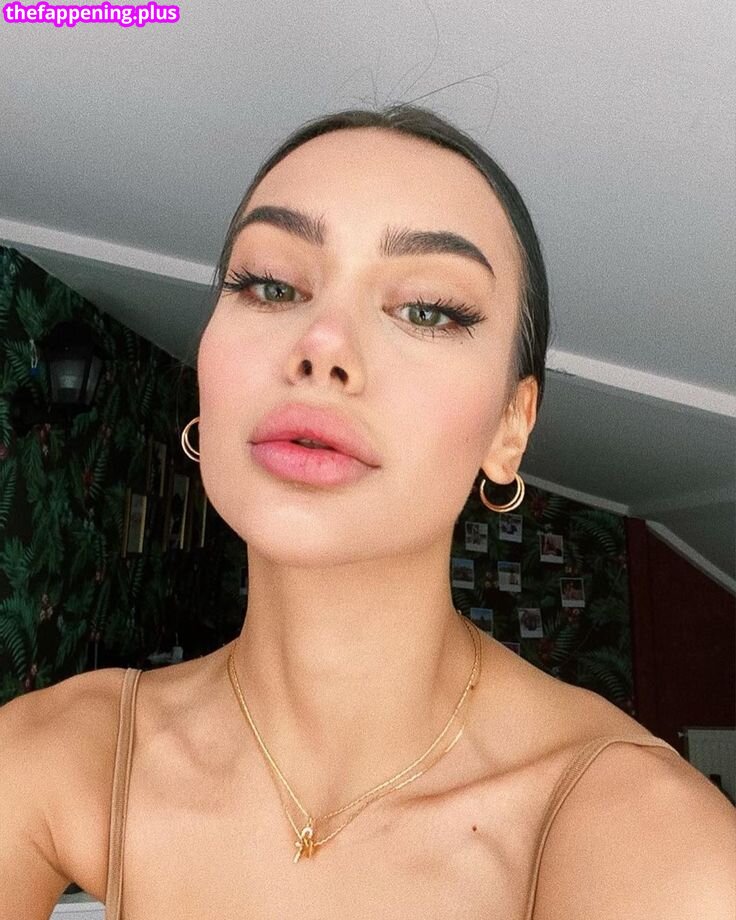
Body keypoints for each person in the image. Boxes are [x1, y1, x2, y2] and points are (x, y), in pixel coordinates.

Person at [2, 104, 734, 919]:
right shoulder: (61, 754)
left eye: (427, 309)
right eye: (271, 285)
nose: (322, 344)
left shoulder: (649, 843)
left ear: (511, 426)